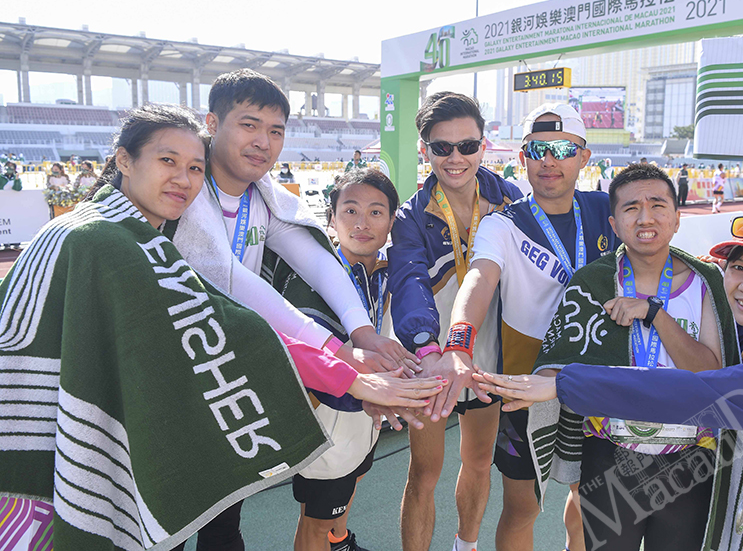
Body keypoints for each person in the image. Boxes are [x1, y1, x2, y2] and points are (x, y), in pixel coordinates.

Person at [0, 104, 446, 551]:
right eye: (168, 160)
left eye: (195, 168)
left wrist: (352, 365)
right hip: (86, 436)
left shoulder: (122, 232)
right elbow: (225, 325)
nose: (183, 179)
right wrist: (349, 374)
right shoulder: (105, 241)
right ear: (124, 160)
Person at [477, 211, 743, 551]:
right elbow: (729, 349)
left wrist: (564, 383)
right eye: (738, 268)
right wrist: (668, 301)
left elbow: (698, 394)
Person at [168, 69, 416, 550]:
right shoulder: (187, 191)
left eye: (276, 130)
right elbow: (233, 281)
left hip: (222, 373)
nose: (263, 142)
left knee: (224, 518)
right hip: (172, 376)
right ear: (212, 123)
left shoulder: (263, 196)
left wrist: (363, 332)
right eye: (249, 125)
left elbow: (318, 261)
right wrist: (340, 351)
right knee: (168, 522)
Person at [481, 162, 738, 550]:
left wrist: (654, 313)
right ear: (615, 225)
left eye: (657, 205)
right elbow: (563, 355)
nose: (645, 217)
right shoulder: (593, 282)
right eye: (631, 208)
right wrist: (542, 383)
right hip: (610, 456)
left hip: (690, 458)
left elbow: (710, 373)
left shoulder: (706, 281)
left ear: (676, 218)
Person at [451, 103, 616, 551]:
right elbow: (479, 280)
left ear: (584, 157)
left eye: (563, 149)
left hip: (597, 380)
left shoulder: (608, 209)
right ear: (523, 157)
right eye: (537, 149)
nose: (549, 160)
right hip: (526, 387)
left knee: (590, 503)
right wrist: (458, 344)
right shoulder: (503, 224)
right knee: (523, 508)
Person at [389, 92, 522, 551]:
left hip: (489, 357)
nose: (456, 158)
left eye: (467, 146)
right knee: (424, 474)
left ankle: (466, 546)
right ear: (424, 149)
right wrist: (429, 350)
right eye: (442, 147)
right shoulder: (409, 217)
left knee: (480, 461)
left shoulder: (512, 199)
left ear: (483, 145)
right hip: (432, 360)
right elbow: (408, 283)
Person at [291, 168, 400, 551]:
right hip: (327, 420)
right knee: (315, 522)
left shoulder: (389, 272)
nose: (362, 223)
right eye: (350, 210)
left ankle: (339, 542)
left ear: (391, 221)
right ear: (331, 219)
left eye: (376, 212)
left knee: (350, 487)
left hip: (367, 416)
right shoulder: (313, 274)